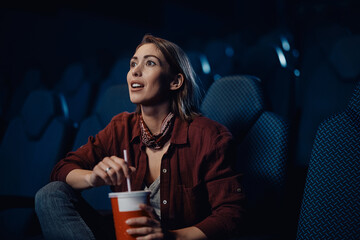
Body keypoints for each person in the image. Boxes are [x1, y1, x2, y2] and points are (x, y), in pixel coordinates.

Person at [35, 34, 245, 240]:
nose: (135, 71)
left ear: (175, 81)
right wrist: (92, 177)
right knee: (50, 195)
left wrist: (170, 236)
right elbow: (61, 170)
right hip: (123, 235)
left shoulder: (210, 136)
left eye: (150, 63)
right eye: (133, 64)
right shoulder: (121, 127)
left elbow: (230, 215)